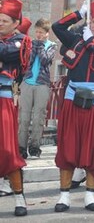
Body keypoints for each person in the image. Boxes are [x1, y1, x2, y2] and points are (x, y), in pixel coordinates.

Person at [51, 0, 94, 212]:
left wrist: (92, 41)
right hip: (73, 100)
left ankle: (90, 195)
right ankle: (64, 195)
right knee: (68, 146)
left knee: (93, 148)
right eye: (93, 22)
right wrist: (78, 14)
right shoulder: (76, 39)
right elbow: (57, 27)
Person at [0, 0, 32, 217]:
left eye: (4, 20)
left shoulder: (21, 40)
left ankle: (19, 197)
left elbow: (7, 54)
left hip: (4, 99)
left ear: (15, 22)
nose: (0, 23)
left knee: (8, 150)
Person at [18, 19, 56, 159]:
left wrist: (40, 46)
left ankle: (35, 146)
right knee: (24, 116)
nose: (38, 34)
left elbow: (45, 60)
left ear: (47, 33)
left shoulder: (52, 45)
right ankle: (21, 146)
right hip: (28, 82)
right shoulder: (30, 44)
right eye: (37, 32)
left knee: (39, 116)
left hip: (42, 84)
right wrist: (34, 46)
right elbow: (29, 60)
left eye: (41, 32)